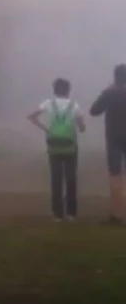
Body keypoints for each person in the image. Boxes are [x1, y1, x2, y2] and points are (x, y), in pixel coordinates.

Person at [26, 77, 86, 222]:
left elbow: (31, 116)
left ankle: (57, 214)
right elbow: (82, 128)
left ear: (55, 90)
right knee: (71, 178)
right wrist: (80, 127)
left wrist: (47, 129)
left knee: (56, 178)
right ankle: (71, 213)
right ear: (68, 91)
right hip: (70, 147)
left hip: (54, 146)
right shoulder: (74, 105)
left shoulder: (49, 103)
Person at [89, 64, 126, 225]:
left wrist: (107, 90)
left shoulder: (110, 93)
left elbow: (94, 111)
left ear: (115, 77)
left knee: (115, 176)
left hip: (114, 139)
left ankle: (117, 214)